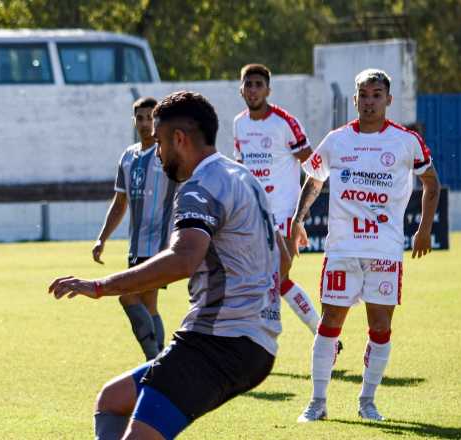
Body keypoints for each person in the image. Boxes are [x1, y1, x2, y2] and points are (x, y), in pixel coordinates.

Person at [49, 91, 288, 440]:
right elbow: (282, 258)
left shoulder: (199, 186)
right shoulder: (244, 178)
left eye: (159, 142)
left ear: (179, 139)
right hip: (256, 343)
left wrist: (101, 287)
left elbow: (183, 259)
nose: (158, 153)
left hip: (218, 343)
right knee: (113, 400)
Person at [293, 69, 440, 423]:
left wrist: (423, 230)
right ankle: (317, 402)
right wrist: (298, 220)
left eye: (377, 94)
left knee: (380, 327)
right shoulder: (337, 140)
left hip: (385, 252)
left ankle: (368, 400)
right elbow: (314, 180)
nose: (370, 101)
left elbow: (431, 183)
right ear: (355, 98)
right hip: (342, 249)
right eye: (364, 94)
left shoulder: (406, 141)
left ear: (388, 100)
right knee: (330, 323)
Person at [233, 63, 336, 344]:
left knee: (277, 278)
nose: (253, 90)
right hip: (253, 217)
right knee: (276, 283)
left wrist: (300, 216)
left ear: (268, 89)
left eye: (258, 84)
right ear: (241, 88)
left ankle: (259, 338)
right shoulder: (239, 124)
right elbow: (242, 169)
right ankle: (323, 336)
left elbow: (315, 167)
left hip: (284, 215)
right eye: (248, 84)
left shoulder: (284, 123)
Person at [93, 96, 177, 360]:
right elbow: (120, 203)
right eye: (140, 118)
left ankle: (154, 362)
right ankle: (158, 363)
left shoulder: (167, 154)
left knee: (127, 296)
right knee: (148, 304)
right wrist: (102, 238)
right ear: (134, 121)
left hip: (160, 244)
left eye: (150, 117)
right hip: (136, 244)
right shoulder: (128, 157)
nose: (145, 123)